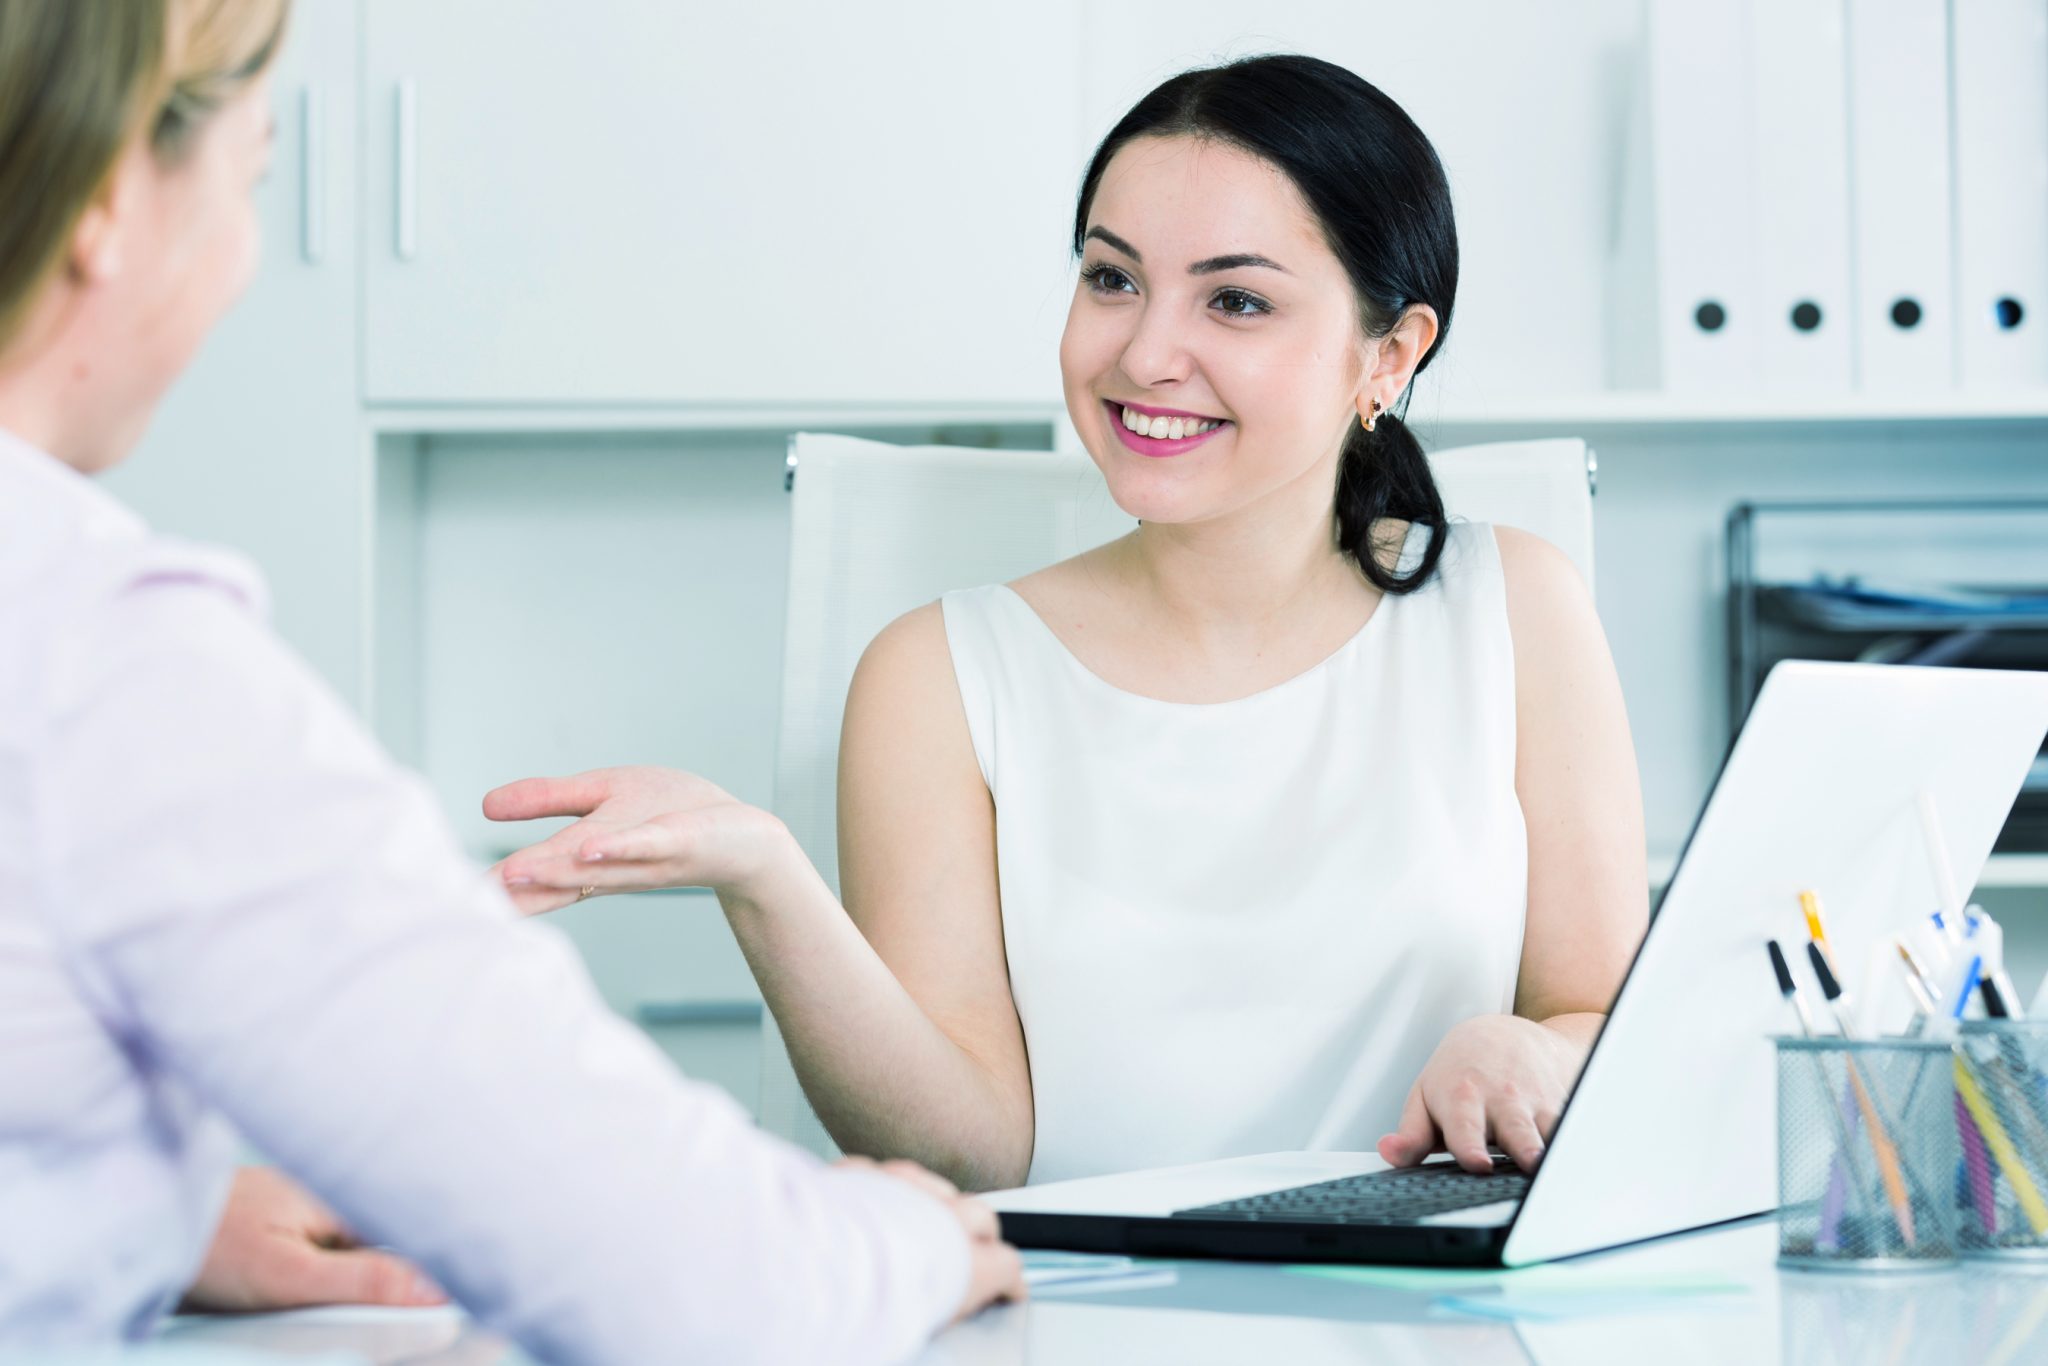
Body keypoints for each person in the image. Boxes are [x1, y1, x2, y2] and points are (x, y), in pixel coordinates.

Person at [0, 1, 1020, 1358]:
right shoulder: (104, 660)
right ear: (115, 198)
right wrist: (906, 1240)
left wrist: (136, 1216)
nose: (243, 256)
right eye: (249, 180)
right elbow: (699, 1286)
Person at [491, 54, 1648, 1191]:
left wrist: (1538, 1047)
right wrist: (765, 879)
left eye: (1234, 299)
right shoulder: (936, 673)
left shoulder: (1514, 608)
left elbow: (1604, 1020)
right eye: (1111, 279)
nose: (1143, 354)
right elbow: (966, 1152)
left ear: (1387, 355)